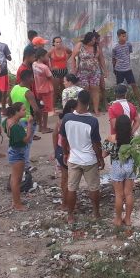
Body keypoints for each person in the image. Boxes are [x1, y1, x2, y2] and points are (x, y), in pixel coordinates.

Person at [60, 91, 104, 225]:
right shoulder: (92, 121)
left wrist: (65, 153)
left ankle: (70, 216)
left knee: (72, 188)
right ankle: (96, 213)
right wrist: (100, 158)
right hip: (89, 159)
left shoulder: (67, 118)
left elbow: (64, 139)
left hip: (73, 158)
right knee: (94, 187)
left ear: (77, 101)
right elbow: (96, 144)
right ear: (88, 103)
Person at [105, 114, 137, 230]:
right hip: (130, 166)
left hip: (117, 166)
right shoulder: (134, 139)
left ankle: (118, 219)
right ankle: (128, 219)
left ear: (116, 126)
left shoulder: (111, 138)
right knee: (128, 194)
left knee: (119, 195)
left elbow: (104, 154)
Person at [4, 101, 35, 211]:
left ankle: (15, 200)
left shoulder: (7, 121)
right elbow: (26, 140)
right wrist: (30, 124)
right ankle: (17, 204)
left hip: (13, 150)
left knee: (14, 178)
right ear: (16, 112)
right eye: (23, 110)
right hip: (18, 153)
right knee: (16, 180)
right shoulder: (16, 127)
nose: (25, 111)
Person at [70, 31, 105, 112]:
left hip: (95, 72)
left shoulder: (97, 46)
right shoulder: (80, 45)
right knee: (84, 90)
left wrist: (105, 70)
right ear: (88, 39)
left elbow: (101, 58)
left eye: (94, 40)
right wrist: (74, 69)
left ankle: (96, 110)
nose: (94, 41)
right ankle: (85, 109)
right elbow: (73, 57)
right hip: (82, 72)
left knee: (95, 90)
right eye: (92, 40)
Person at [53, 100, 76, 211]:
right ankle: (70, 203)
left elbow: (54, 135)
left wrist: (55, 150)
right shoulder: (73, 120)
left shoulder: (60, 121)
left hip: (60, 150)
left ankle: (64, 202)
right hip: (69, 151)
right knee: (71, 179)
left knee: (64, 178)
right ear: (72, 109)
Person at [112, 29, 140, 104]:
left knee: (134, 85)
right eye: (123, 36)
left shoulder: (128, 44)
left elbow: (129, 53)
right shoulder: (115, 47)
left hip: (128, 69)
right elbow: (113, 59)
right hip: (119, 70)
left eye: (125, 36)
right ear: (118, 36)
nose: (125, 37)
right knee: (118, 87)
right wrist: (114, 69)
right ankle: (117, 103)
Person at [33, 49, 55, 133]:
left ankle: (40, 126)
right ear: (41, 57)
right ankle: (44, 127)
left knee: (40, 108)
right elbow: (51, 77)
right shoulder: (45, 67)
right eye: (46, 56)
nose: (47, 57)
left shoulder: (34, 64)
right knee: (46, 110)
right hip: (47, 90)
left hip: (38, 89)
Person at [49, 36, 70, 102]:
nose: (59, 44)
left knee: (64, 88)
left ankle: (63, 103)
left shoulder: (65, 49)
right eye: (57, 42)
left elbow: (71, 52)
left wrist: (66, 59)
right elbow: (44, 59)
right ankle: (53, 106)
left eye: (60, 42)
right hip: (55, 72)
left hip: (64, 70)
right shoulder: (51, 51)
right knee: (55, 89)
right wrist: (51, 67)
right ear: (54, 43)